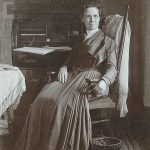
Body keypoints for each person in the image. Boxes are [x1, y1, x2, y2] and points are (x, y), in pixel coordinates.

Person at [13, 1, 117, 150]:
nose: (92, 20)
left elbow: (112, 67)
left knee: (62, 104)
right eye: (88, 16)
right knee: (41, 98)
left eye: (95, 16)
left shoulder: (108, 42)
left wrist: (104, 82)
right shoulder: (81, 39)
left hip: (90, 79)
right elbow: (71, 58)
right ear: (82, 18)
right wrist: (63, 66)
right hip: (72, 74)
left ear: (100, 18)